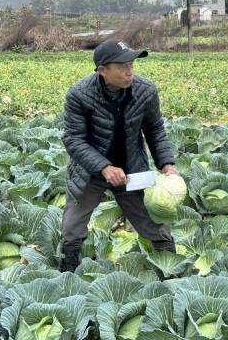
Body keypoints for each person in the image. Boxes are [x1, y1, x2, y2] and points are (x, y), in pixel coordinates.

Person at [59, 39, 180, 272]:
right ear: (102, 71)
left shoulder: (146, 91)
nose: (129, 71)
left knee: (156, 225)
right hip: (89, 171)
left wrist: (167, 164)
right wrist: (104, 167)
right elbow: (73, 139)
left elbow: (155, 130)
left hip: (131, 169)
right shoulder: (79, 94)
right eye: (122, 66)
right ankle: (68, 274)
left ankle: (171, 273)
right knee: (72, 227)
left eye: (132, 65)